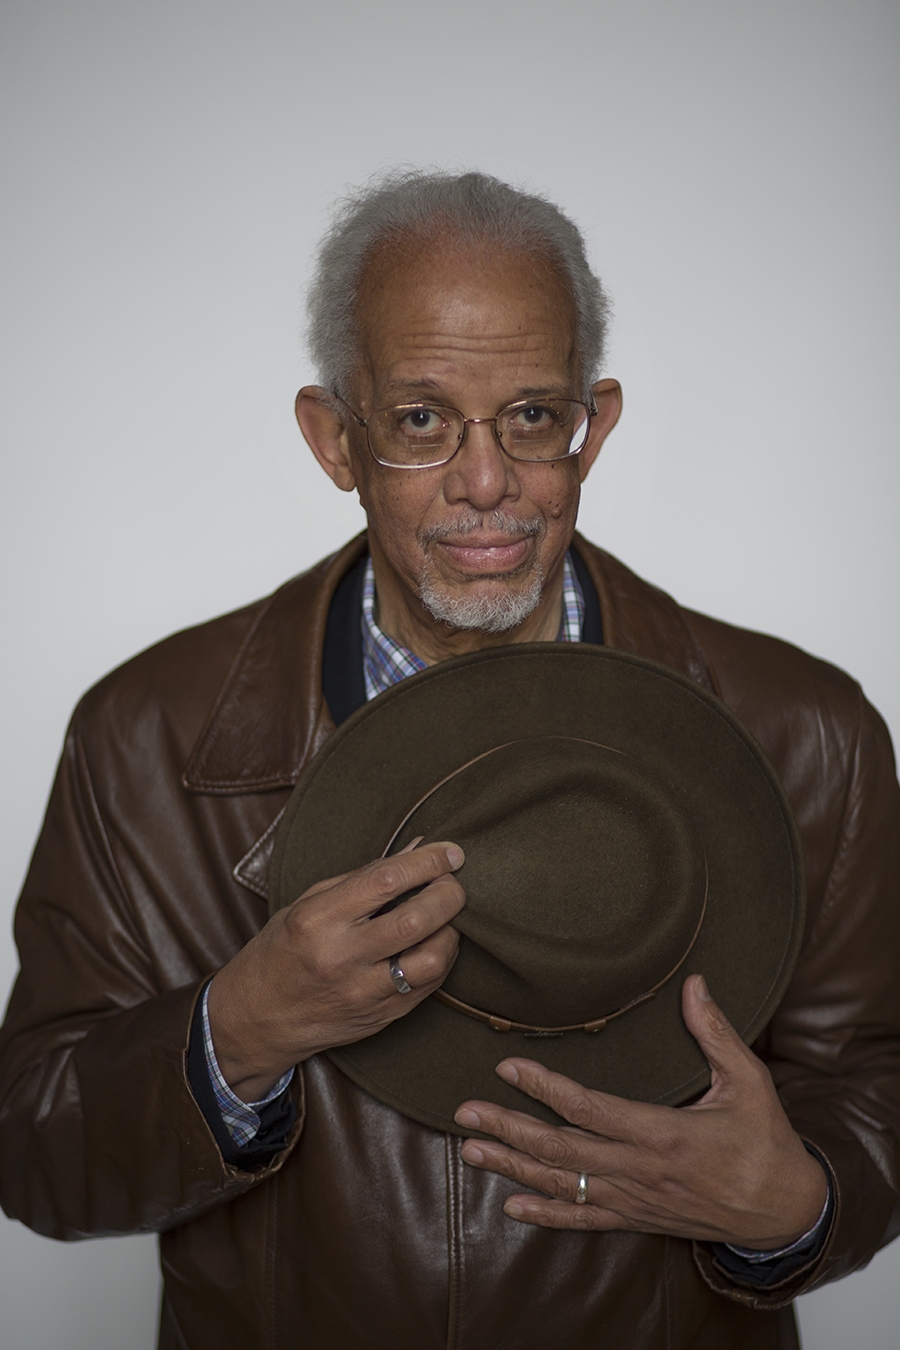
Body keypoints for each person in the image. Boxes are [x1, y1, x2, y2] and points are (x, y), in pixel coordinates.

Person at [0, 169, 898, 1350]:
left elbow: (875, 1086)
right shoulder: (145, 737)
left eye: (533, 416)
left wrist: (798, 1202)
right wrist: (240, 1030)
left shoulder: (805, 732)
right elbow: (35, 1152)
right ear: (337, 438)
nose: (487, 485)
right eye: (422, 419)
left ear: (597, 424)